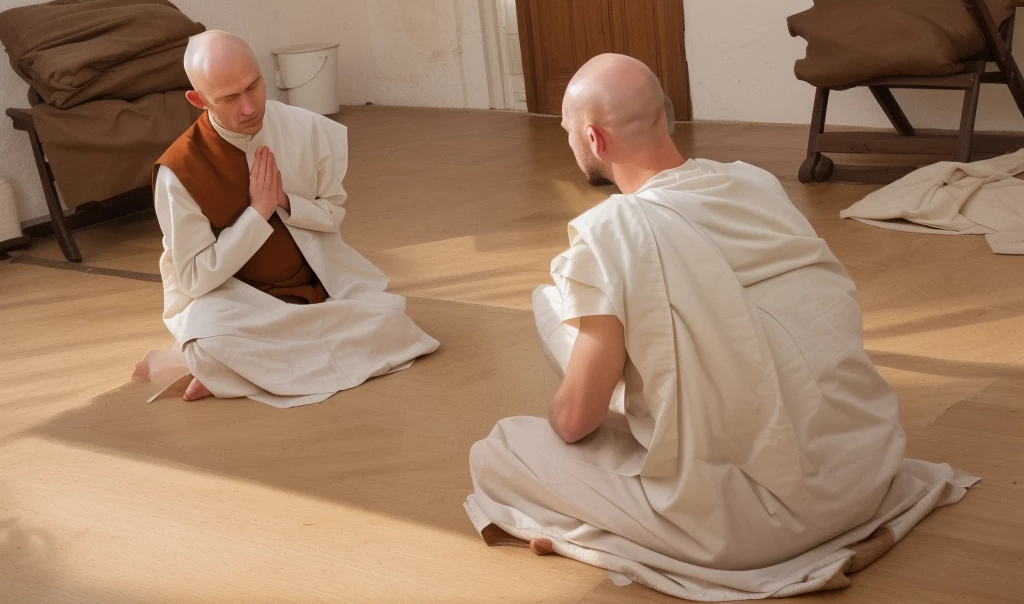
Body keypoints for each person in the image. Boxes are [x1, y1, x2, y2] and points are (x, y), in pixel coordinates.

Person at [464, 53, 975, 599]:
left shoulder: (612, 228)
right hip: (868, 472)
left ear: (593, 138)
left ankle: (602, 533)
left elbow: (574, 424)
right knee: (598, 332)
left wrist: (579, 393)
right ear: (668, 115)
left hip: (752, 528)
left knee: (501, 449)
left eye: (569, 133)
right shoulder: (754, 183)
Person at [134, 30, 439, 407]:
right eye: (230, 98)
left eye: (253, 86)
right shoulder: (178, 171)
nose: (249, 107)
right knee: (207, 343)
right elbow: (195, 279)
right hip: (239, 305)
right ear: (199, 100)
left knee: (390, 320)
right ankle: (235, 365)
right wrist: (257, 213)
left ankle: (239, 373)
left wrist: (284, 201)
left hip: (315, 288)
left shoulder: (305, 128)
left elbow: (332, 214)